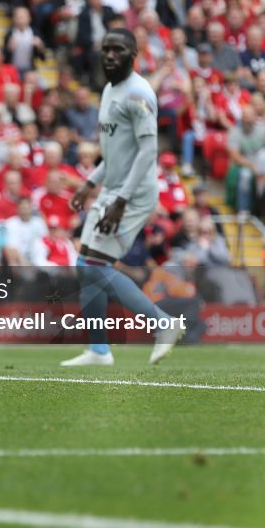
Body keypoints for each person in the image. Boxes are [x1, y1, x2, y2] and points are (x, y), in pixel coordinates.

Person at [63, 29, 185, 367]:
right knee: (84, 265)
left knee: (93, 266)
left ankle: (164, 323)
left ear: (133, 54)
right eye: (106, 49)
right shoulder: (108, 90)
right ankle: (100, 351)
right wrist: (91, 183)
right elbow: (115, 153)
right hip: (113, 189)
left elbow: (148, 151)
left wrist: (122, 200)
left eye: (118, 50)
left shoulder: (138, 94)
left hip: (134, 193)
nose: (110, 55)